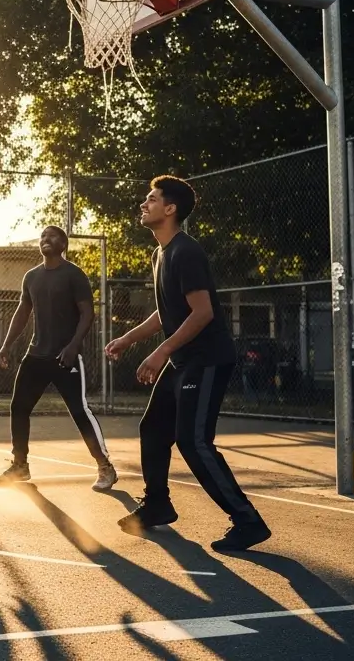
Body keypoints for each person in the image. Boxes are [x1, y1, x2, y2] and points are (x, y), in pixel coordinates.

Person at [105, 175, 272, 551]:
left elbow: (202, 313)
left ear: (170, 208)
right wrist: (130, 339)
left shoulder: (186, 251)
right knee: (153, 428)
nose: (143, 205)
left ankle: (247, 520)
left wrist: (160, 351)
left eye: (151, 199)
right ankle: (158, 505)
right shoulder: (160, 253)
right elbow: (169, 312)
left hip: (207, 359)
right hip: (184, 359)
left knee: (193, 441)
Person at [0, 225, 117, 490]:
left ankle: (104, 466)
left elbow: (87, 314)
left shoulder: (74, 275)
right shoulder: (31, 277)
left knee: (79, 410)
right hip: (36, 354)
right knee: (19, 407)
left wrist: (74, 345)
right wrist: (6, 345)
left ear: (63, 244)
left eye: (52, 236)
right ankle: (20, 465)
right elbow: (22, 313)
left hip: (65, 356)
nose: (46, 239)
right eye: (42, 236)